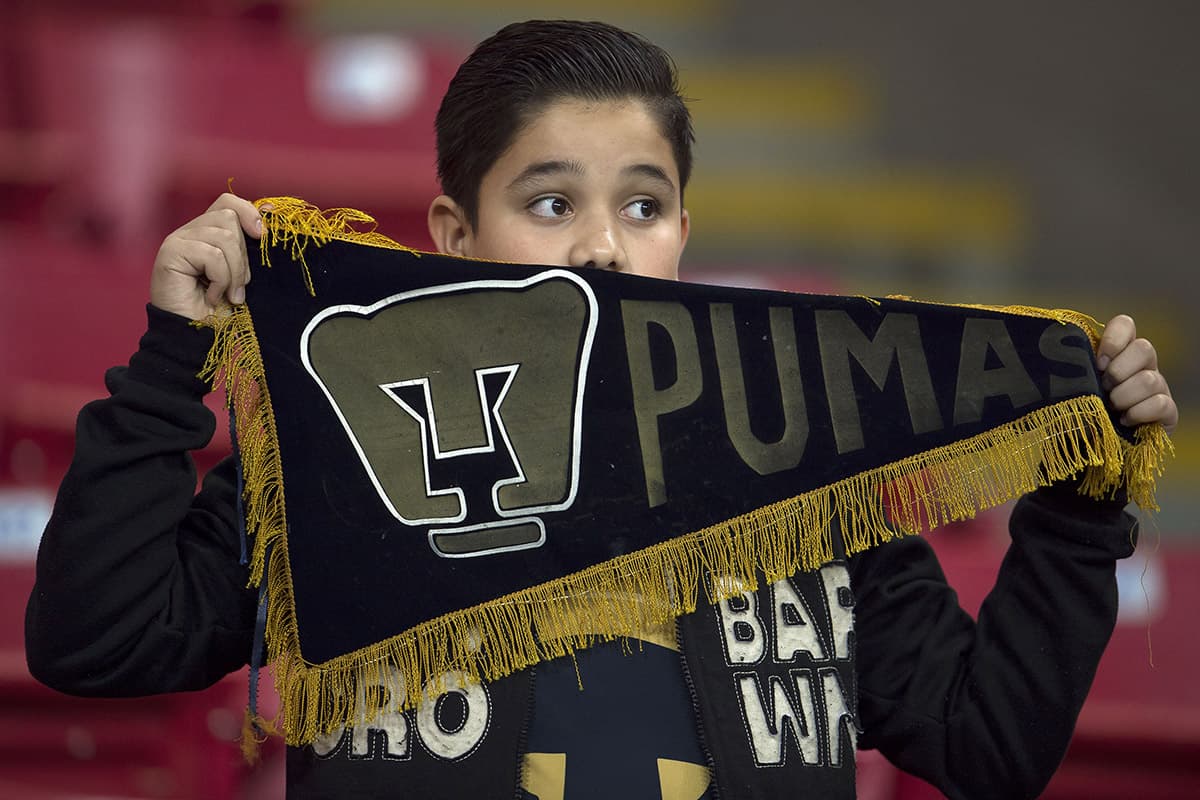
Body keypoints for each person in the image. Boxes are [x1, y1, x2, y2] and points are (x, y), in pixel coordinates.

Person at [25, 19, 1177, 800]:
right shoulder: (348, 444)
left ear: (682, 230)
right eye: (548, 199)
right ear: (451, 236)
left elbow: (987, 743)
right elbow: (98, 637)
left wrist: (1079, 509)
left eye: (644, 202)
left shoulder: (812, 455)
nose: (600, 243)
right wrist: (173, 358)